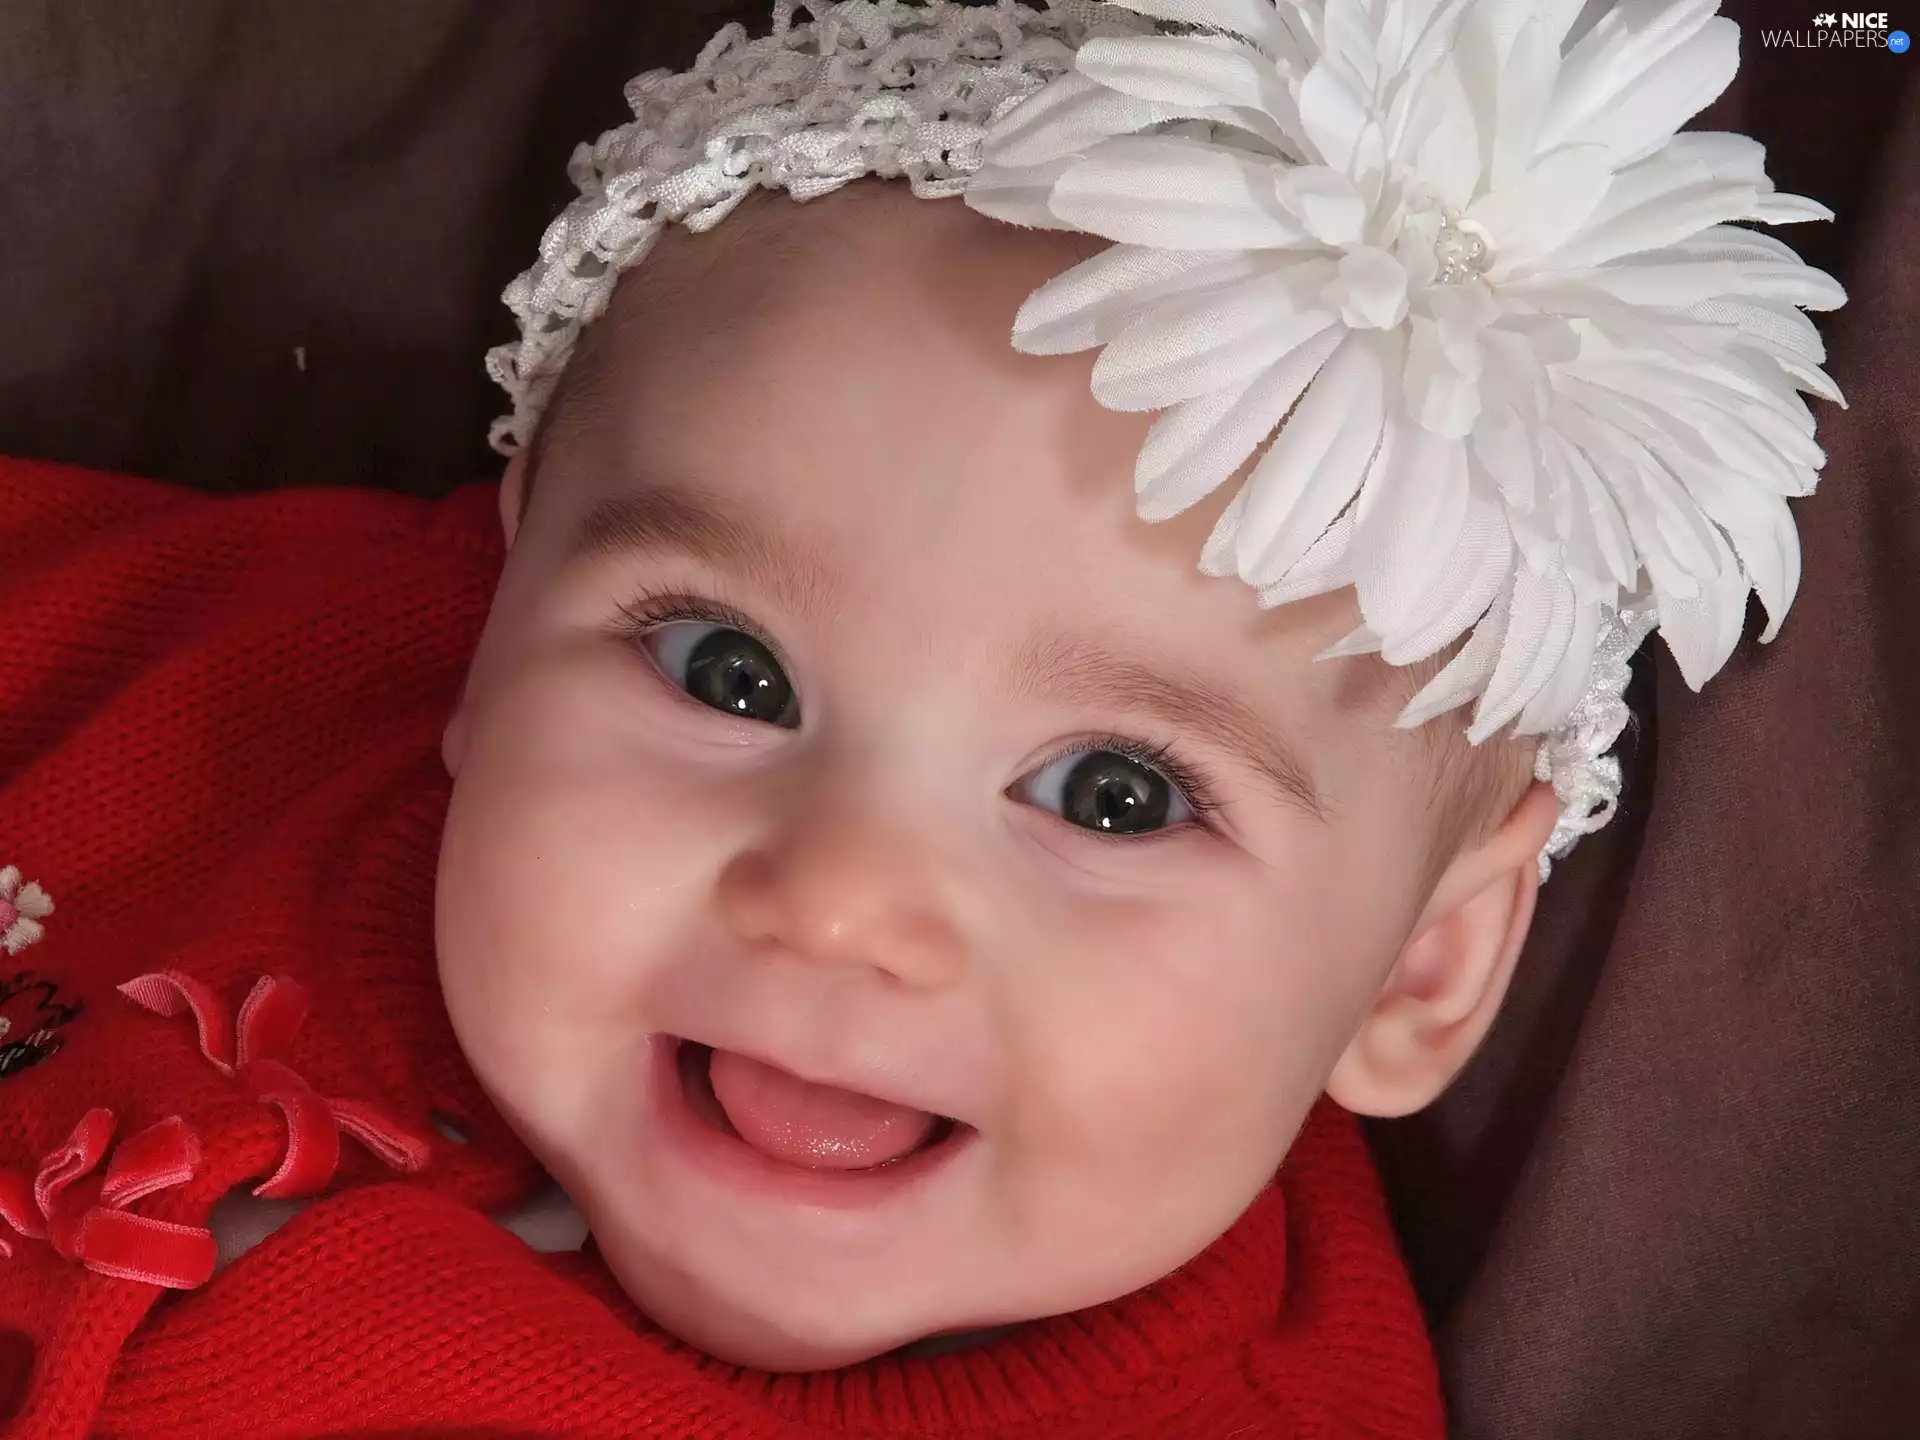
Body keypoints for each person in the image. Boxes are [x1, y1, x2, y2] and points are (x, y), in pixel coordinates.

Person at [0, 1, 1841, 1435]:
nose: (839, 898)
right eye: (728, 671)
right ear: (498, 614)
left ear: (1420, 965)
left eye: (1118, 794)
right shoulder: (246, 667)